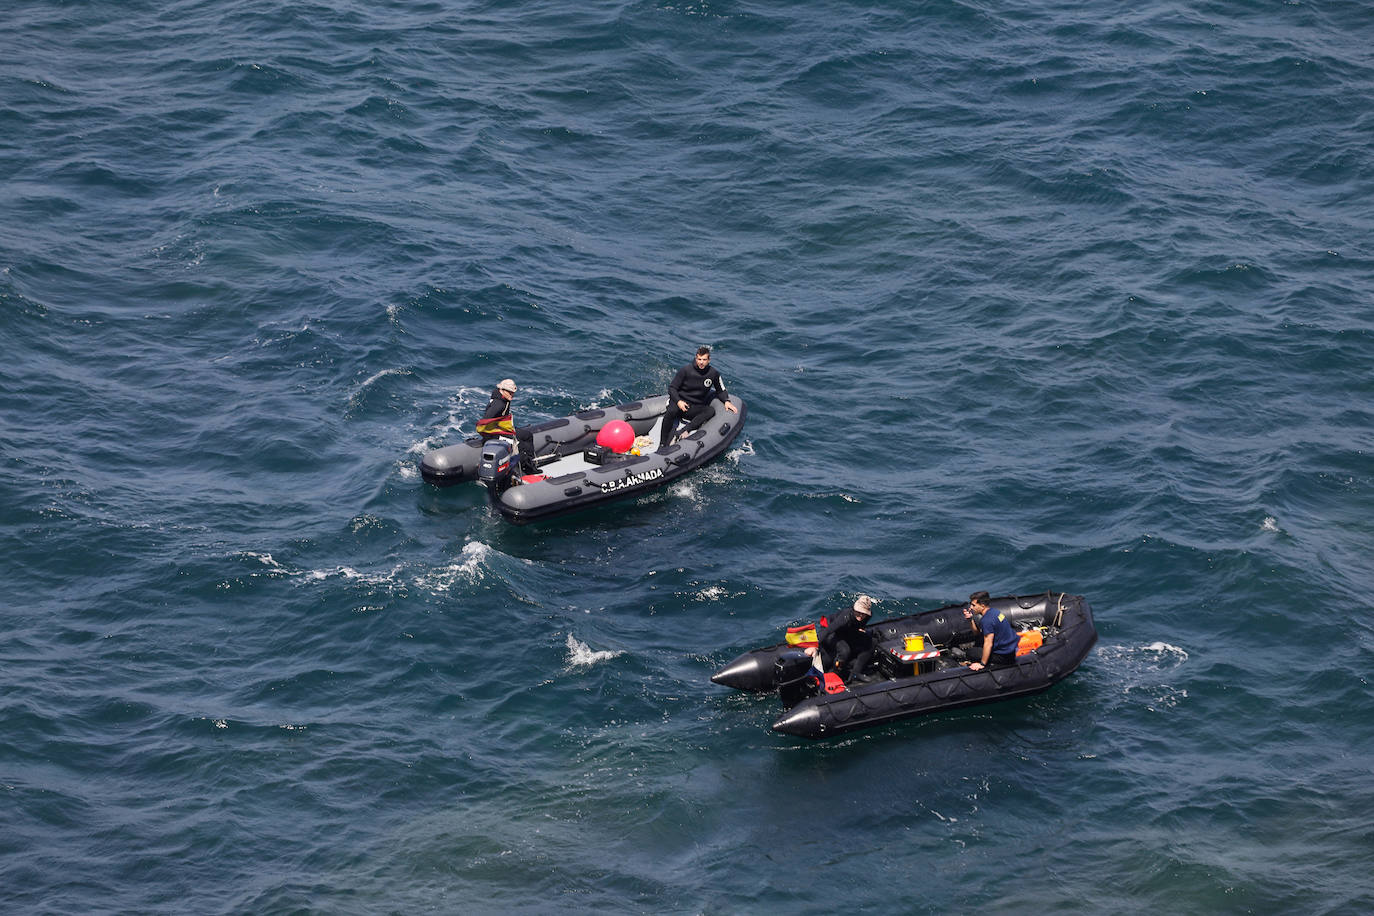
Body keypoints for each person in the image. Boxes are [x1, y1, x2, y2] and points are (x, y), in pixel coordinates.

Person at [657, 346, 738, 448]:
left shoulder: (713, 373)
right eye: (699, 359)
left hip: (693, 407)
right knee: (671, 411)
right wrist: (678, 401)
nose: (701, 362)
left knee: (710, 411)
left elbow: (720, 389)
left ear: (709, 360)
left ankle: (684, 431)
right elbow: (672, 388)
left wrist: (726, 401)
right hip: (679, 403)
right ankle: (662, 443)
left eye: (704, 360)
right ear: (696, 358)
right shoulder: (686, 370)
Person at [476, 378, 536, 475]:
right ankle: (526, 467)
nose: (512, 395)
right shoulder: (499, 404)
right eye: (509, 392)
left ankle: (530, 462)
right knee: (521, 445)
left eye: (513, 393)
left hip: (502, 429)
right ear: (502, 390)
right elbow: (485, 420)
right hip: (495, 434)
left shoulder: (503, 398)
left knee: (528, 435)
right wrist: (492, 434)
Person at [814, 595, 878, 683]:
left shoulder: (866, 617)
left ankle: (855, 674)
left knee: (872, 642)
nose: (861, 615)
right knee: (844, 650)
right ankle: (835, 674)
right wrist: (814, 646)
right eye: (858, 612)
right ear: (854, 609)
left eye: (864, 613)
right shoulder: (845, 617)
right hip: (832, 632)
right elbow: (827, 631)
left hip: (846, 632)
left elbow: (858, 627)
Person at [961, 590, 1019, 671]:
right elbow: (977, 633)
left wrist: (982, 664)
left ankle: (989, 664)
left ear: (982, 605)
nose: (971, 607)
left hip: (1004, 657)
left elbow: (988, 644)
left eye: (973, 605)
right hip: (1010, 651)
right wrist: (971, 620)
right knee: (979, 639)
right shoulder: (994, 612)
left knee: (971, 653)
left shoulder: (987, 621)